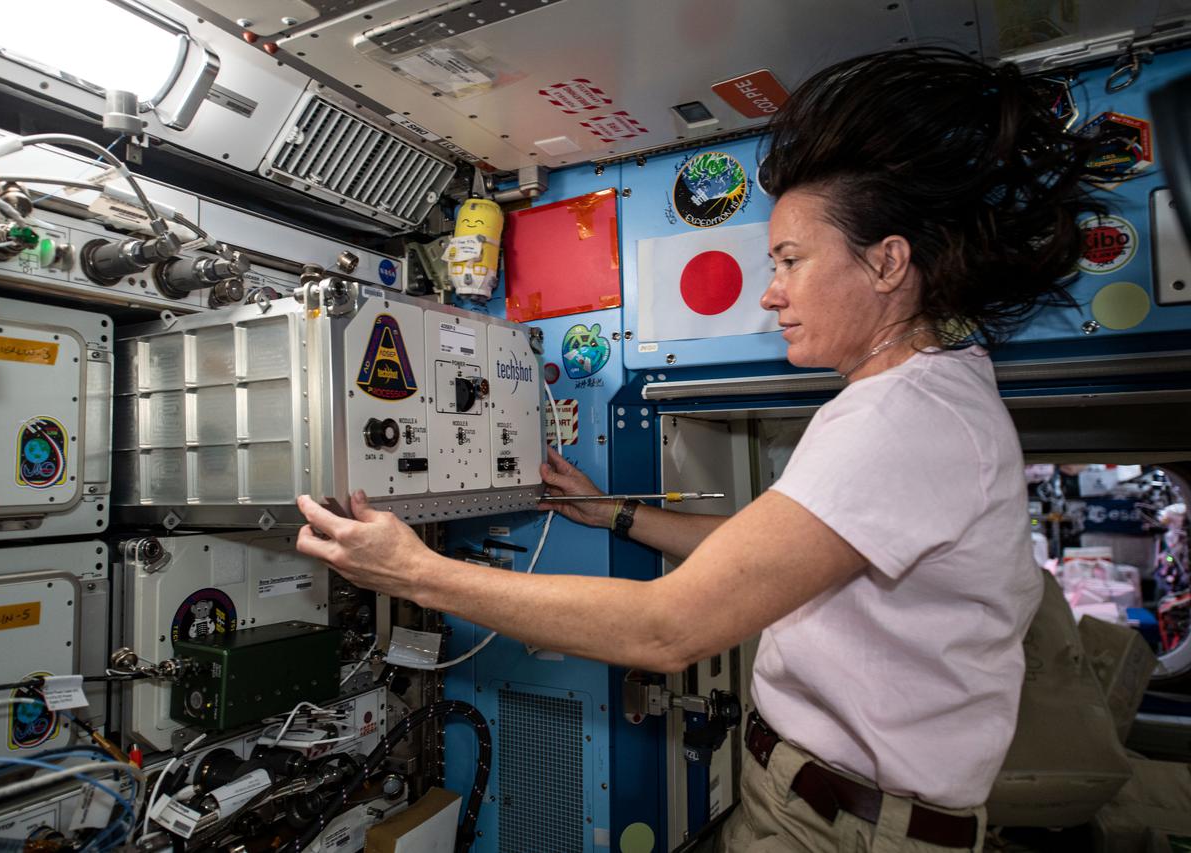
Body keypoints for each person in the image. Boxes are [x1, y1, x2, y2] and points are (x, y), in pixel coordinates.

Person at [296, 48, 1116, 852]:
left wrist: (411, 570)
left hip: (841, 828)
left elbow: (667, 629)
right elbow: (764, 556)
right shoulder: (932, 397)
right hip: (822, 805)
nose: (772, 290)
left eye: (792, 260)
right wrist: (612, 512)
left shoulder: (901, 416)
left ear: (887, 262)